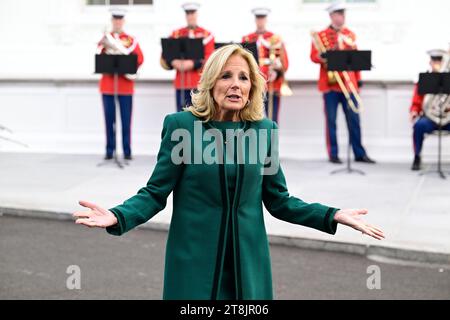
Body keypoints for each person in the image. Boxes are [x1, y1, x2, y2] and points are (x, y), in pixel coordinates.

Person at [74, 44, 384, 300]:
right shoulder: (182, 127)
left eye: (244, 77)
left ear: (253, 86)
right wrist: (119, 215)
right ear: (210, 82)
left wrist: (332, 215)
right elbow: (155, 193)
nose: (236, 84)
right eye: (226, 75)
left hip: (247, 266)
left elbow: (279, 200)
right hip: (194, 262)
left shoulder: (264, 131)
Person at [310, 1, 375, 164]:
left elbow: (356, 60)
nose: (342, 17)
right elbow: (313, 56)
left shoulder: (350, 35)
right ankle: (333, 154)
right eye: (339, 14)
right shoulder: (321, 36)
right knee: (331, 122)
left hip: (348, 84)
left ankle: (359, 153)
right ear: (332, 16)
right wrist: (322, 57)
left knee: (354, 121)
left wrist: (358, 81)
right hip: (330, 86)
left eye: (343, 14)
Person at [97, 8, 144, 161]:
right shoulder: (104, 39)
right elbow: (99, 57)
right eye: (115, 19)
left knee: (126, 120)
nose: (117, 22)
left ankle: (127, 150)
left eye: (120, 19)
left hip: (125, 86)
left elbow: (140, 58)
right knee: (109, 120)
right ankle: (109, 150)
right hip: (108, 86)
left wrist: (125, 58)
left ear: (123, 21)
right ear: (112, 21)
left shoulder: (131, 40)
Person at [160, 2, 215, 112]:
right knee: (181, 117)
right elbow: (165, 54)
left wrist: (192, 64)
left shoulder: (207, 34)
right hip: (181, 83)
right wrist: (173, 62)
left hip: (199, 84)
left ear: (196, 14)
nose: (190, 16)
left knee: (199, 117)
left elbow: (210, 56)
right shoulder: (176, 34)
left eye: (192, 13)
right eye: (188, 13)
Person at [242, 7, 289, 124]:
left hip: (271, 83)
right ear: (255, 20)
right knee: (251, 117)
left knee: (272, 118)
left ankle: (272, 142)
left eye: (262, 18)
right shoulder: (247, 39)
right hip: (253, 84)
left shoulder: (275, 38)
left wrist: (277, 72)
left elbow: (284, 62)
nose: (260, 21)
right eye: (258, 18)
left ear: (266, 20)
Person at [410, 49, 450, 171]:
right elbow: (416, 102)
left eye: (439, 61)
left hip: (447, 118)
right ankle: (417, 156)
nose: (437, 63)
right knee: (418, 126)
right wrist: (414, 111)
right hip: (430, 118)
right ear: (430, 62)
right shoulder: (424, 80)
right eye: (434, 61)